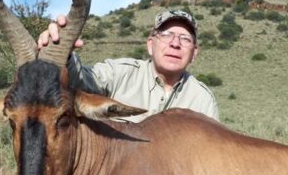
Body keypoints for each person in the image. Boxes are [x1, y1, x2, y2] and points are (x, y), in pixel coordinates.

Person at [38, 9, 219, 122]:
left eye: (185, 39)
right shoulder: (120, 73)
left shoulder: (203, 100)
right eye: (166, 34)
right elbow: (82, 81)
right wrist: (62, 51)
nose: (175, 43)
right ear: (150, 44)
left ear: (194, 53)